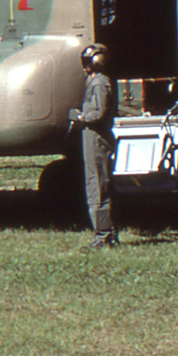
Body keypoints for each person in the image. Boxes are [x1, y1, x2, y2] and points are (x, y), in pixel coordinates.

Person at [69, 43, 118, 248]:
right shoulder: (97, 81)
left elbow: (97, 114)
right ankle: (107, 234)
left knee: (96, 187)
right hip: (93, 138)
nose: (84, 66)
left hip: (96, 138)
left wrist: (80, 117)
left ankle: (103, 236)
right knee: (97, 186)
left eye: (87, 62)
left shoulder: (99, 83)